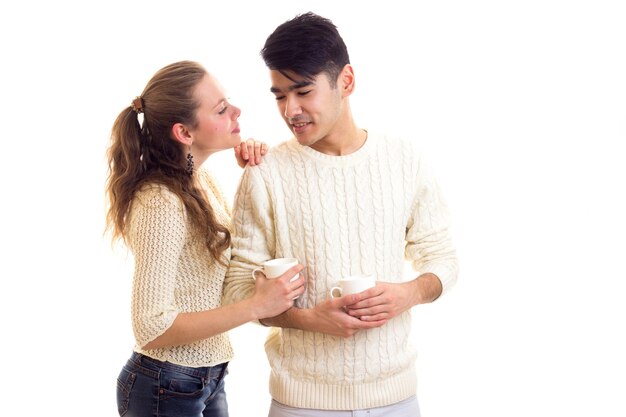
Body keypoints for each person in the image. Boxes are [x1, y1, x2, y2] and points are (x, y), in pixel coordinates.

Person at [223, 12, 459, 417]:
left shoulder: (404, 160)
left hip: (397, 400)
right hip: (301, 404)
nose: (290, 109)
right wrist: (308, 320)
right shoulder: (265, 174)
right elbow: (237, 291)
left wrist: (409, 293)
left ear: (346, 81)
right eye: (279, 95)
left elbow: (443, 259)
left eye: (303, 92)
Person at [105, 60, 305, 417]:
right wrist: (256, 306)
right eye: (221, 109)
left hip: (206, 377)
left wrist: (257, 174)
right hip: (164, 385)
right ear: (184, 133)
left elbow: (233, 263)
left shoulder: (201, 184)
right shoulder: (160, 203)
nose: (237, 111)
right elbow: (151, 325)